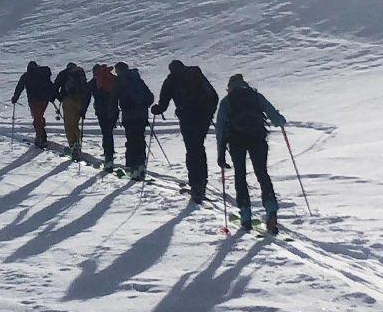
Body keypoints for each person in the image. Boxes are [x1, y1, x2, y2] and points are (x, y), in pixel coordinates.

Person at [218, 74, 285, 233]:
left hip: (237, 141)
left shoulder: (227, 101)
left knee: (240, 175)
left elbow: (220, 128)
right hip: (258, 138)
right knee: (262, 173)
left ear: (230, 87)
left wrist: (221, 153)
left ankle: (246, 215)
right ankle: (271, 209)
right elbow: (274, 117)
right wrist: (280, 120)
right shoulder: (256, 96)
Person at [153, 60, 220, 202]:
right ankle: (202, 183)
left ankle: (195, 185)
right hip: (203, 118)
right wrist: (208, 113)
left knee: (192, 149)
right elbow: (214, 96)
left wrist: (156, 109)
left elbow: (163, 105)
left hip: (187, 118)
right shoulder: (196, 74)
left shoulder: (171, 80)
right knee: (199, 147)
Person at [112, 62, 153, 177]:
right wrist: (142, 106)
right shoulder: (137, 79)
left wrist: (113, 114)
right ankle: (141, 164)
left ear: (119, 70)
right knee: (140, 139)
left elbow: (113, 98)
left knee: (131, 140)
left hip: (128, 115)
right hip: (141, 115)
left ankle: (131, 166)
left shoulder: (119, 80)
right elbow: (150, 97)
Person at [11, 61, 56, 148]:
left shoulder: (26, 75)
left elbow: (20, 87)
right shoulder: (42, 74)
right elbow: (50, 85)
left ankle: (40, 137)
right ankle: (42, 135)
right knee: (39, 116)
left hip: (34, 100)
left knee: (37, 118)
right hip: (44, 100)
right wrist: (53, 96)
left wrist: (15, 98)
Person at [54, 62, 90, 157]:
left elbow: (55, 87)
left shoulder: (63, 73)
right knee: (75, 124)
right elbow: (86, 88)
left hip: (68, 100)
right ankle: (78, 143)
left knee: (68, 125)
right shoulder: (80, 73)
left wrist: (60, 98)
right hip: (80, 101)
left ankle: (72, 144)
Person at [91, 63, 121, 171]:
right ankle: (109, 153)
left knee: (106, 132)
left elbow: (86, 97)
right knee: (109, 131)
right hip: (113, 110)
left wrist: (83, 111)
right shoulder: (112, 78)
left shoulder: (94, 82)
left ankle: (108, 157)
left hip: (101, 111)